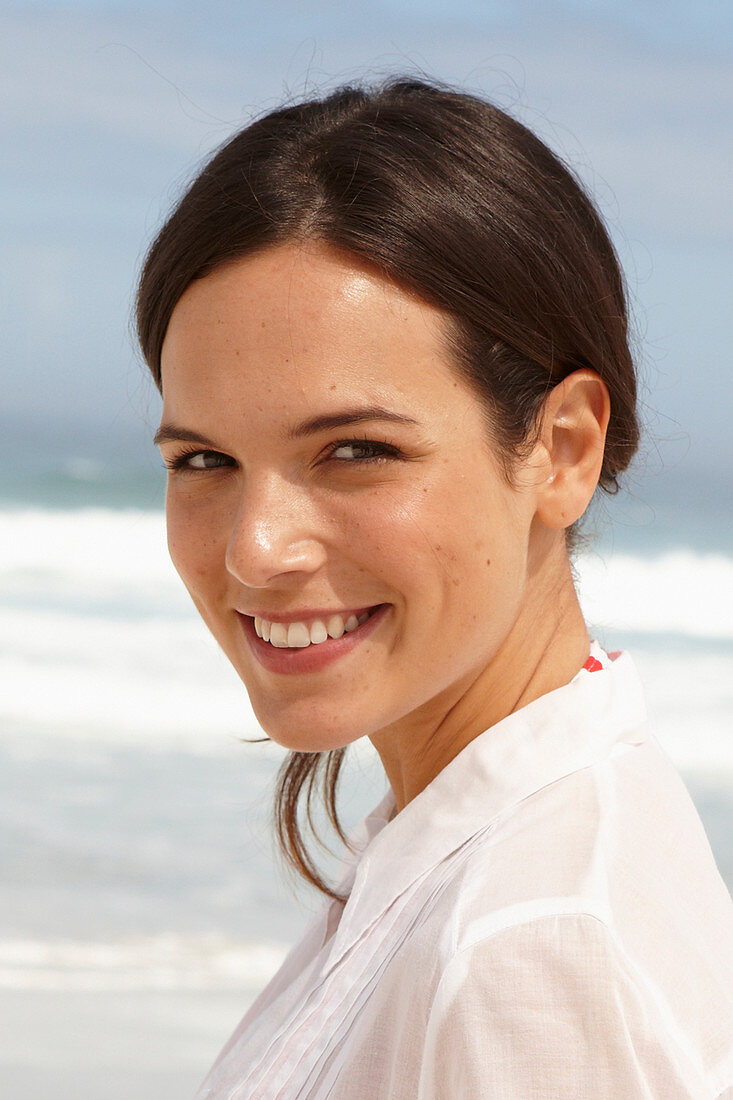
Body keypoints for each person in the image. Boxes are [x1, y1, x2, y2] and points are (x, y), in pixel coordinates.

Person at [137, 78, 733, 1098]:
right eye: (203, 460)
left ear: (561, 448)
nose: (256, 548)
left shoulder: (533, 950)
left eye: (356, 449)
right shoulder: (466, 850)